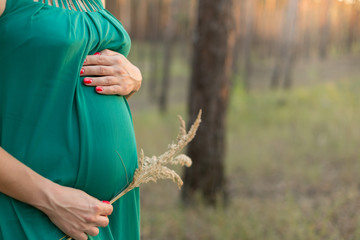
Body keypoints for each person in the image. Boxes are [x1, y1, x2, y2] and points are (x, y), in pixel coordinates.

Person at [0, 0, 142, 239]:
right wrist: (52, 201)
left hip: (113, 208)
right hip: (34, 207)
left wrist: (134, 78)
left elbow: (64, 77)